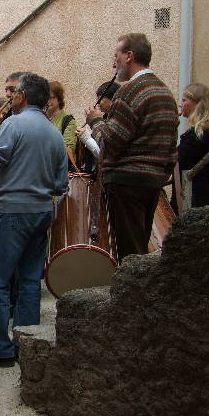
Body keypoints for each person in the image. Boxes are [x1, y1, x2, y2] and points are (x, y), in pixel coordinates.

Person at [0, 72, 68, 367]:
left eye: (14, 94)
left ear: (22, 96)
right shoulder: (53, 132)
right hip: (42, 212)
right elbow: (61, 184)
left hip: (13, 211)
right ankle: (27, 344)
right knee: (28, 281)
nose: (11, 98)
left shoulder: (12, 123)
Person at [85, 33, 178, 263]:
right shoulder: (166, 93)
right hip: (153, 182)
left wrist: (96, 121)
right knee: (139, 246)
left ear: (129, 56)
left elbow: (110, 143)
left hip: (127, 183)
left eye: (116, 56)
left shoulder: (128, 91)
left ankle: (135, 296)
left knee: (129, 254)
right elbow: (171, 147)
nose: (113, 62)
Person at [171, 83, 209, 213]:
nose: (180, 105)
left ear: (197, 104)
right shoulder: (206, 133)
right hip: (197, 199)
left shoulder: (199, 135)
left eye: (184, 100)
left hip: (193, 203)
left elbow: (179, 162)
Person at [76, 80, 121, 171]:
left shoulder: (117, 120)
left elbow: (106, 153)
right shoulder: (106, 118)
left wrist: (86, 138)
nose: (97, 103)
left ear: (112, 98)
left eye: (100, 99)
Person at [46, 81, 77, 154]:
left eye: (51, 97)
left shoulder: (68, 121)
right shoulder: (40, 118)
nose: (47, 101)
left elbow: (69, 150)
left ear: (59, 99)